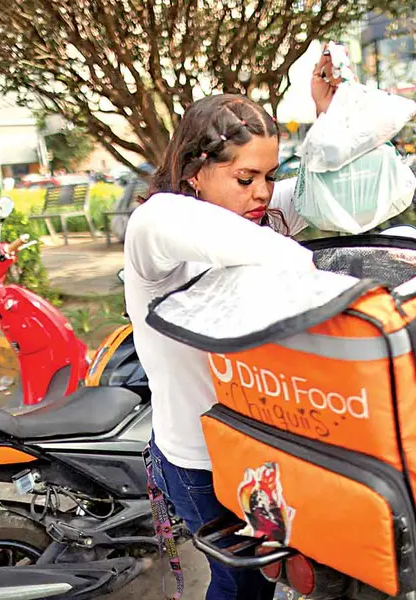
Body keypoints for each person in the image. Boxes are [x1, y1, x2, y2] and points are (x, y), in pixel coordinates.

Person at [123, 51, 343, 600]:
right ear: (195, 171)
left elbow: (334, 188)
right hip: (201, 461)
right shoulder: (156, 228)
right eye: (246, 177)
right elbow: (275, 255)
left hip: (264, 446)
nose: (263, 193)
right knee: (241, 585)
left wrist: (331, 119)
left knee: (276, 573)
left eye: (270, 176)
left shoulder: (256, 218)